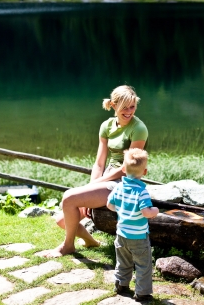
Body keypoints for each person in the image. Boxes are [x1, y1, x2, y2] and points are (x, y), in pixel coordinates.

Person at [44, 85, 148, 258]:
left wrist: (96, 184)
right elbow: (99, 163)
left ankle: (67, 246)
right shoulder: (106, 126)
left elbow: (126, 168)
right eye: (124, 107)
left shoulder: (139, 129)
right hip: (107, 177)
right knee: (61, 220)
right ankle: (91, 241)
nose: (129, 111)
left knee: (69, 197)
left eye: (132, 106)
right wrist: (92, 184)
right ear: (114, 106)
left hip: (126, 182)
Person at [107, 148, 159, 302]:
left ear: (123, 169)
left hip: (121, 234)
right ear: (145, 172)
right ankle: (142, 293)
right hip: (138, 237)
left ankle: (121, 284)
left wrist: (122, 209)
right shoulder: (142, 191)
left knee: (123, 261)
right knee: (143, 265)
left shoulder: (118, 187)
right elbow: (145, 212)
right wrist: (154, 210)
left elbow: (109, 205)